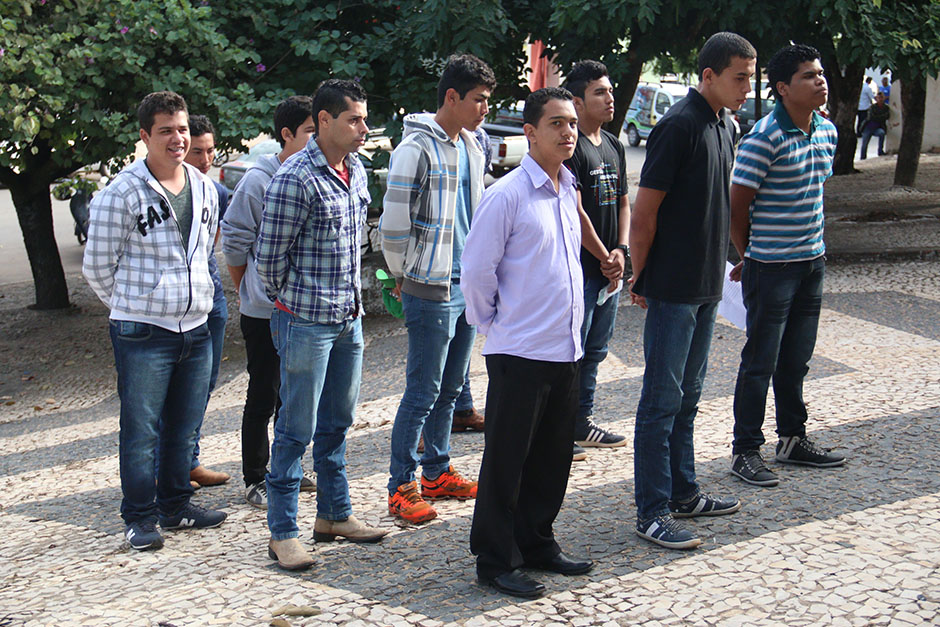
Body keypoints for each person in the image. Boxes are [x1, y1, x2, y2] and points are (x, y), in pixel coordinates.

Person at [83, 91, 227, 551]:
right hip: (143, 332)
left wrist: (194, 298)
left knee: (185, 426)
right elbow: (97, 267)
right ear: (145, 136)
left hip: (196, 328)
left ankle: (176, 505)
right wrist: (135, 304)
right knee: (142, 429)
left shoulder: (204, 187)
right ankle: (140, 516)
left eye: (182, 129)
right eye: (165, 130)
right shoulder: (121, 193)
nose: (177, 138)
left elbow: (203, 253)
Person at [464, 87, 592, 600]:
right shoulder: (508, 194)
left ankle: (537, 541)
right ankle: (495, 560)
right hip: (518, 351)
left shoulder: (566, 188)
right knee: (507, 460)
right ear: (530, 132)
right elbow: (476, 271)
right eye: (557, 123)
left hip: (564, 348)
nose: (567, 132)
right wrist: (494, 324)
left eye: (572, 123)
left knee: (552, 455)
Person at [629, 32, 754, 550]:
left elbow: (715, 202)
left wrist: (735, 256)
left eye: (751, 77)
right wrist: (639, 276)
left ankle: (684, 492)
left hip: (706, 286)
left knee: (690, 397)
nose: (747, 87)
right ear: (709, 76)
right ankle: (651, 511)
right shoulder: (678, 125)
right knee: (660, 401)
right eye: (739, 77)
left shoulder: (726, 124)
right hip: (673, 288)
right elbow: (645, 211)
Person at [257, 79, 388, 571]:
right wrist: (292, 304)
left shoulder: (355, 170)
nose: (364, 128)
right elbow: (268, 260)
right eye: (354, 119)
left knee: (336, 425)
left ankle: (334, 515)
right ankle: (283, 531)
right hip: (304, 323)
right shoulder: (296, 178)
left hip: (347, 320)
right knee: (295, 429)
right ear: (326, 121)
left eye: (365, 118)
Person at [379, 54, 495, 524]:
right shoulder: (416, 148)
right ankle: (401, 484)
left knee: (451, 388)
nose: (485, 108)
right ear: (452, 97)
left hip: (465, 283)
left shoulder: (471, 145)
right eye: (479, 100)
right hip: (428, 284)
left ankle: (437, 470)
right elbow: (394, 221)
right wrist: (402, 275)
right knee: (422, 390)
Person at [728, 44, 845, 488]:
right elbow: (738, 202)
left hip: (812, 262)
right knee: (760, 360)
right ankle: (745, 450)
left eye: (820, 74)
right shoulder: (763, 137)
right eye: (809, 76)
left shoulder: (827, 132)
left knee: (796, 359)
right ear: (782, 88)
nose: (820, 81)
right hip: (772, 266)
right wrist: (748, 254)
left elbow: (814, 192)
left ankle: (793, 439)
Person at [221, 96, 318, 509]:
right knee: (264, 392)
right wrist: (254, 292)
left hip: (301, 309)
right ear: (287, 134)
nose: (316, 141)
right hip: (264, 311)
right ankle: (255, 476)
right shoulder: (259, 180)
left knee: (294, 395)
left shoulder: (315, 174)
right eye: (311, 132)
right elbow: (235, 242)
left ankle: (288, 468)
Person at [562, 60, 631, 459]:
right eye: (599, 92)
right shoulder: (574, 149)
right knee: (572, 352)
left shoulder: (614, 144)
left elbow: (623, 200)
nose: (609, 98)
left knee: (596, 352)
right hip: (583, 271)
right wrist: (605, 257)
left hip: (610, 271)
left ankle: (581, 423)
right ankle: (561, 429)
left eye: (610, 91)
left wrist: (620, 251)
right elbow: (576, 210)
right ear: (577, 101)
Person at [180, 114, 230, 488]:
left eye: (211, 150)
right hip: (177, 301)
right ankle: (171, 465)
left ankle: (189, 458)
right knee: (176, 385)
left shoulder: (216, 192)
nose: (205, 158)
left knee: (204, 382)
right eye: (198, 151)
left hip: (211, 292)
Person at [860, 91, 889, 160]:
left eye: (882, 97)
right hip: (868, 127)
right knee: (864, 144)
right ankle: (863, 157)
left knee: (882, 133)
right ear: (876, 99)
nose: (880, 99)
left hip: (877, 128)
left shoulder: (886, 108)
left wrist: (878, 117)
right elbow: (871, 117)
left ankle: (880, 151)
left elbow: (887, 116)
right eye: (879, 98)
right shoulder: (872, 107)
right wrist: (880, 117)